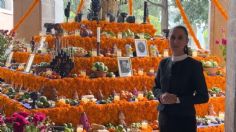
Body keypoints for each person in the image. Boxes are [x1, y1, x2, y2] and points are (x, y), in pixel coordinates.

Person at [153, 25, 209, 132]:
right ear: (168, 39)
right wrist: (161, 96)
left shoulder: (194, 65)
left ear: (186, 41)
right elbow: (156, 87)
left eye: (180, 38)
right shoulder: (163, 63)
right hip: (164, 119)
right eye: (172, 37)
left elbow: (203, 96)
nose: (175, 41)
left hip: (185, 121)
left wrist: (178, 99)